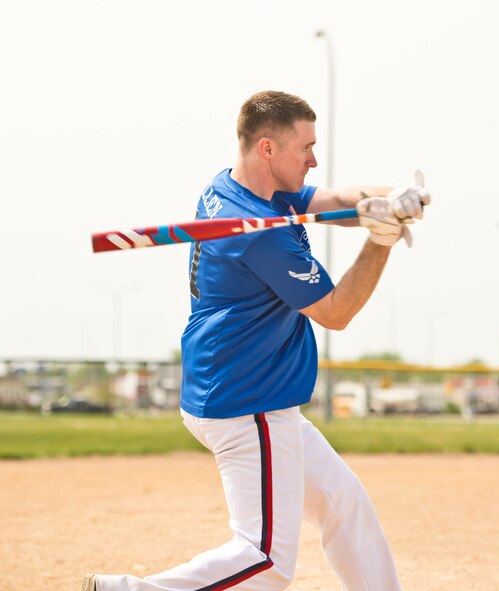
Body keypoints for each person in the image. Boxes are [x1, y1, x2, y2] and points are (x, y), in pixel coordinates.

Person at [83, 91, 430, 591]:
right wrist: (380, 241)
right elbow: (336, 312)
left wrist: (388, 200)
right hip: (248, 402)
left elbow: (335, 200)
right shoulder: (260, 234)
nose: (314, 159)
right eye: (305, 148)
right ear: (267, 148)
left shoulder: (235, 188)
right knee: (265, 560)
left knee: (344, 505)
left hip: (241, 389)